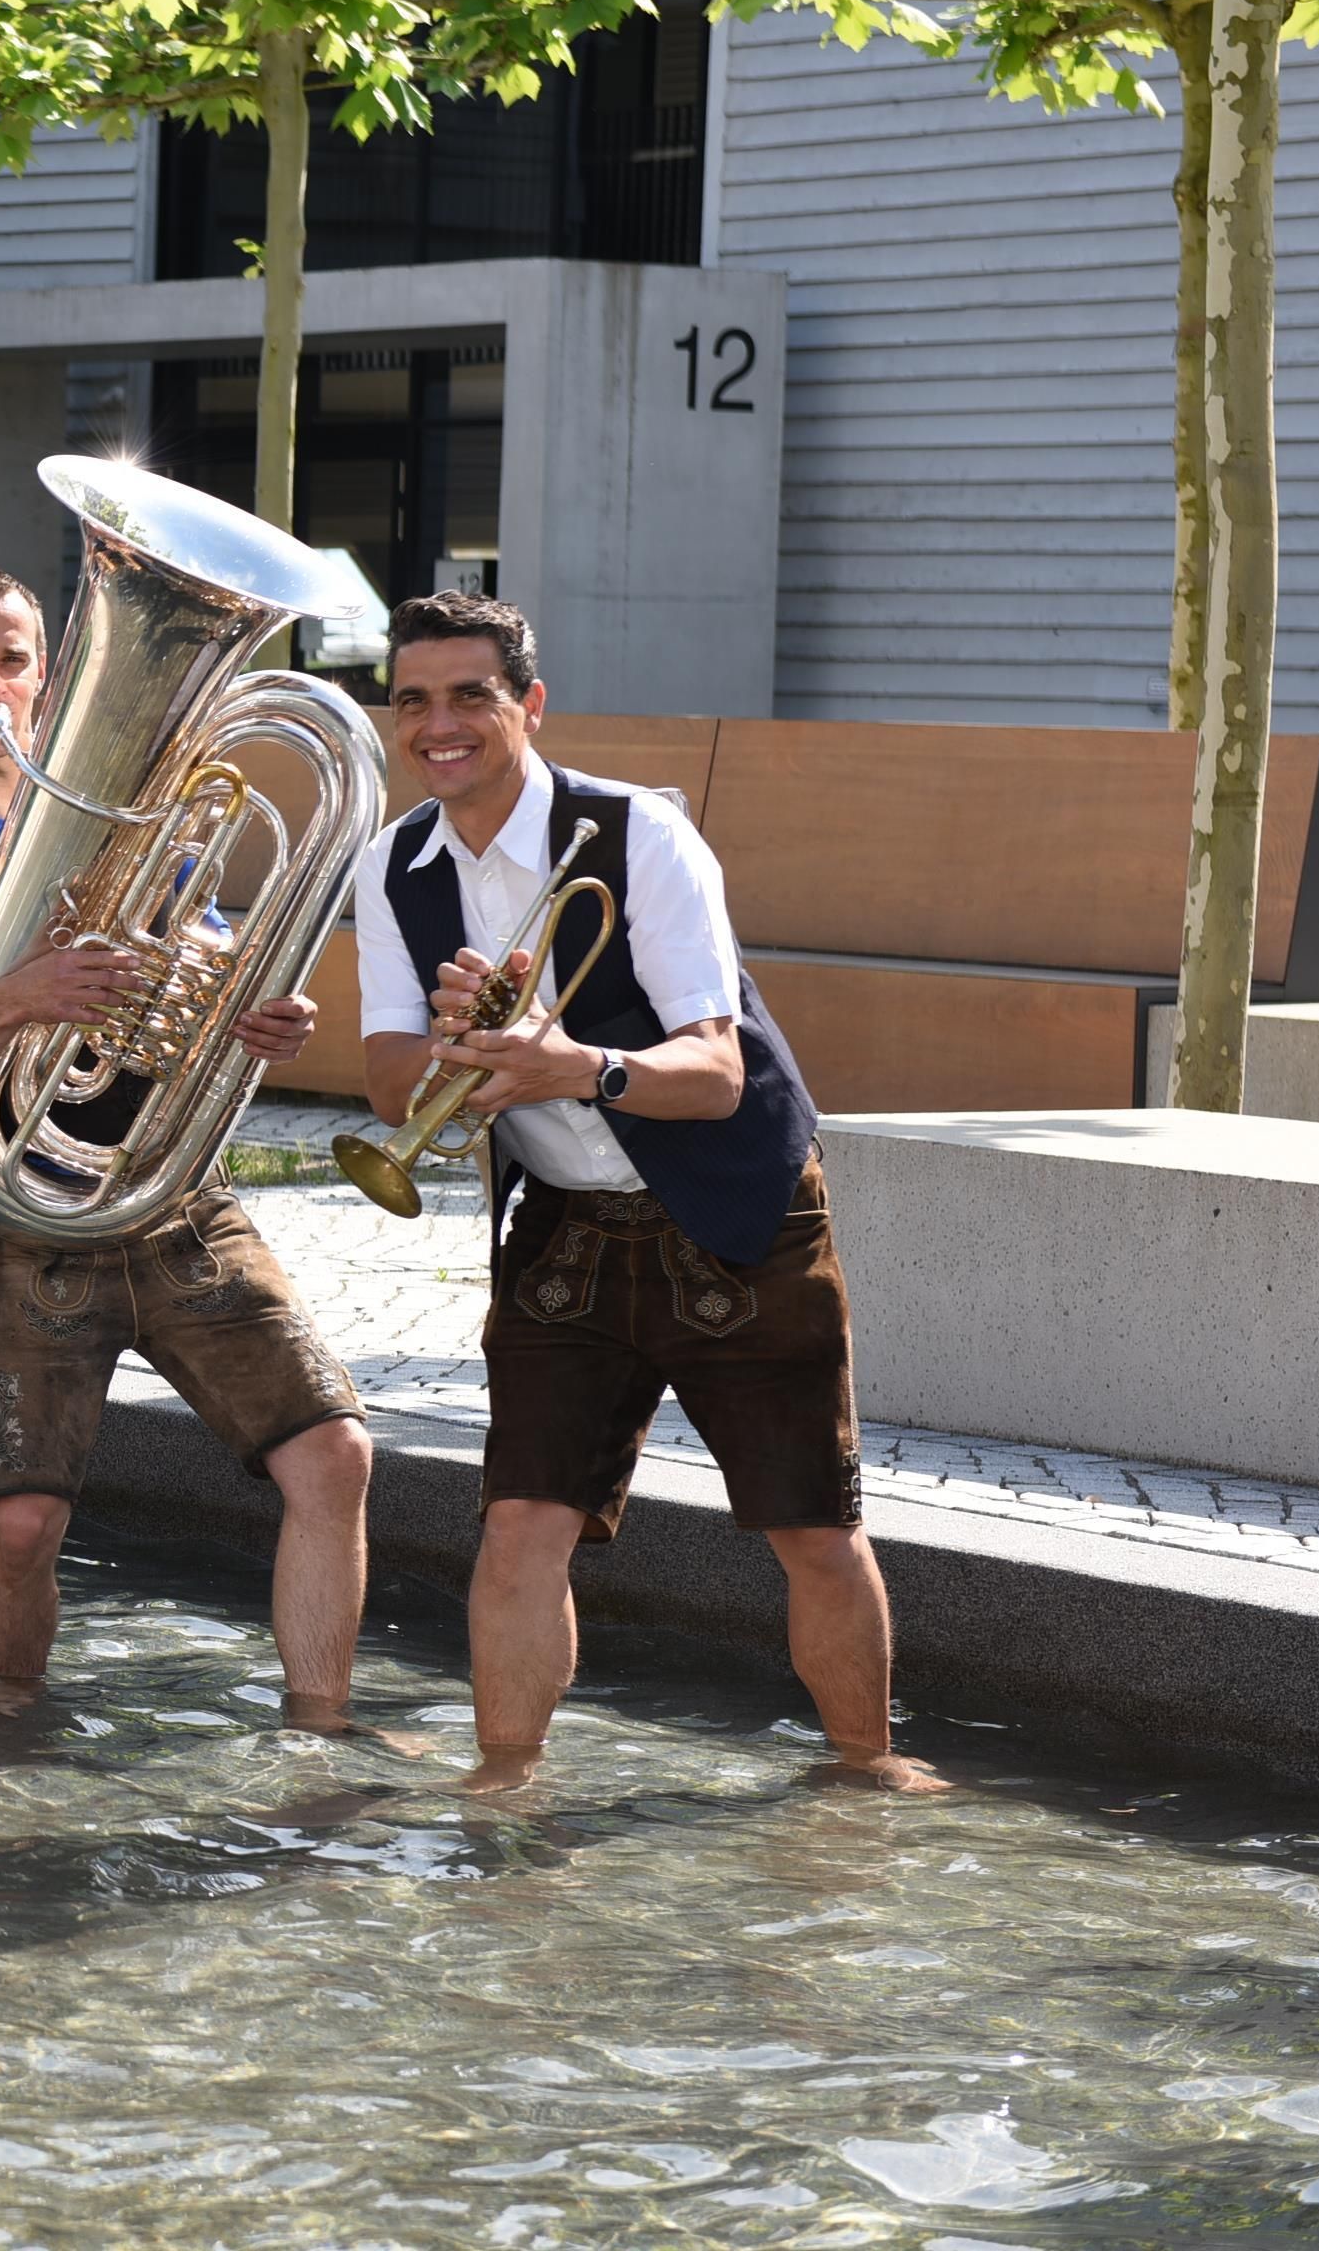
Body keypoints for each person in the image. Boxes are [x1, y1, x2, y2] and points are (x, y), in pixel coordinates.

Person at [352, 589, 942, 1792]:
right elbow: (382, 1077)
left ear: (529, 704)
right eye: (411, 700)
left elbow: (714, 1071)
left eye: (468, 695)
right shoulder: (391, 864)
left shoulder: (641, 836)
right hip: (563, 1219)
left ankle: (864, 1775)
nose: (436, 724)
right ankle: (503, 1789)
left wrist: (574, 1065)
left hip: (735, 1210)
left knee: (809, 1524)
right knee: (519, 1520)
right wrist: (455, 1049)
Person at [0, 572, 379, 1717]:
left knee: (334, 1455)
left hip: (175, 1198)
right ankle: (4, 1733)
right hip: (28, 1218)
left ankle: (320, 1736)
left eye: (13, 658)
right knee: (20, 1524)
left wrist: (254, 1015)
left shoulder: (151, 825)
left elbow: (206, 973)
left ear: (48, 675)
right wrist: (14, 998)